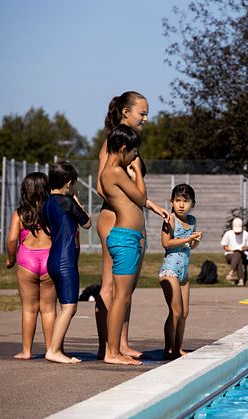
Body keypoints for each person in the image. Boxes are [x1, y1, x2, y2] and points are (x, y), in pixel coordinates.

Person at [95, 91, 170, 361]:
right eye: (142, 112)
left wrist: (149, 205)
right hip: (114, 219)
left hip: (129, 220)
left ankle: (121, 343)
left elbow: (135, 191)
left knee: (125, 289)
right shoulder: (113, 144)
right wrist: (127, 204)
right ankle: (108, 346)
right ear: (126, 112)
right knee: (110, 287)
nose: (146, 118)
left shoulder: (130, 144)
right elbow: (102, 187)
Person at [99, 124, 147, 366]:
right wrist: (137, 172)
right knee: (121, 298)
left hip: (128, 238)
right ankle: (112, 351)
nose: (135, 157)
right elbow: (140, 197)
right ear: (125, 148)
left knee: (122, 297)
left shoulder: (112, 171)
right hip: (125, 238)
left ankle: (114, 349)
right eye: (134, 153)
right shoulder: (115, 172)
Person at [42, 162, 92, 363]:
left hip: (53, 259)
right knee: (69, 307)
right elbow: (87, 222)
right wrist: (78, 204)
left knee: (64, 307)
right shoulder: (67, 202)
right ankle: (53, 350)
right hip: (66, 260)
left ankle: (56, 348)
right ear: (69, 183)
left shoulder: (47, 203)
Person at [5, 172, 56, 359]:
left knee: (29, 308)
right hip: (50, 259)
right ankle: (52, 349)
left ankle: (26, 351)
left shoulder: (20, 214)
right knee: (49, 308)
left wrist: (11, 259)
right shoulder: (52, 212)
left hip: (27, 261)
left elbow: (11, 240)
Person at [159, 184, 202, 360]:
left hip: (183, 272)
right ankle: (168, 349)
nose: (181, 205)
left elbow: (189, 246)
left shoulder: (192, 221)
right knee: (175, 311)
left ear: (193, 203)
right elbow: (166, 243)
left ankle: (178, 348)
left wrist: (195, 241)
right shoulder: (169, 219)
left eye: (186, 201)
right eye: (178, 201)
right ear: (172, 201)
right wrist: (187, 238)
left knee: (184, 313)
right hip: (170, 271)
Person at [220, 217, 248, 286]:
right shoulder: (228, 233)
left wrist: (244, 248)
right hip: (230, 254)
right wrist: (232, 250)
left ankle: (231, 272)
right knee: (238, 257)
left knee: (238, 254)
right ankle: (241, 280)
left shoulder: (246, 234)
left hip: (242, 253)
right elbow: (225, 246)